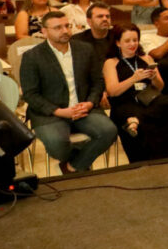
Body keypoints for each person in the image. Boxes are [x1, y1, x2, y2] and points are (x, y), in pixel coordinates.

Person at [19, 10, 117, 173]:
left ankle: (72, 167)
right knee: (56, 143)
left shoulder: (85, 49)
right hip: (51, 114)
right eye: (58, 28)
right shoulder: (32, 57)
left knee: (109, 131)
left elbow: (98, 82)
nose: (65, 31)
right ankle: (80, 162)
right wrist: (59, 111)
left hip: (84, 109)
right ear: (44, 32)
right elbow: (30, 94)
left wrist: (89, 103)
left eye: (67, 26)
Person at [104, 25, 168, 163]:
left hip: (149, 101)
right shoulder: (111, 63)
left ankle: (135, 120)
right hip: (125, 102)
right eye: (127, 41)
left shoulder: (146, 58)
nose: (132, 44)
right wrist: (133, 79)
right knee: (140, 113)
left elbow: (160, 87)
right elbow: (112, 91)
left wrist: (154, 78)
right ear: (118, 43)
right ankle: (135, 123)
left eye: (135, 40)